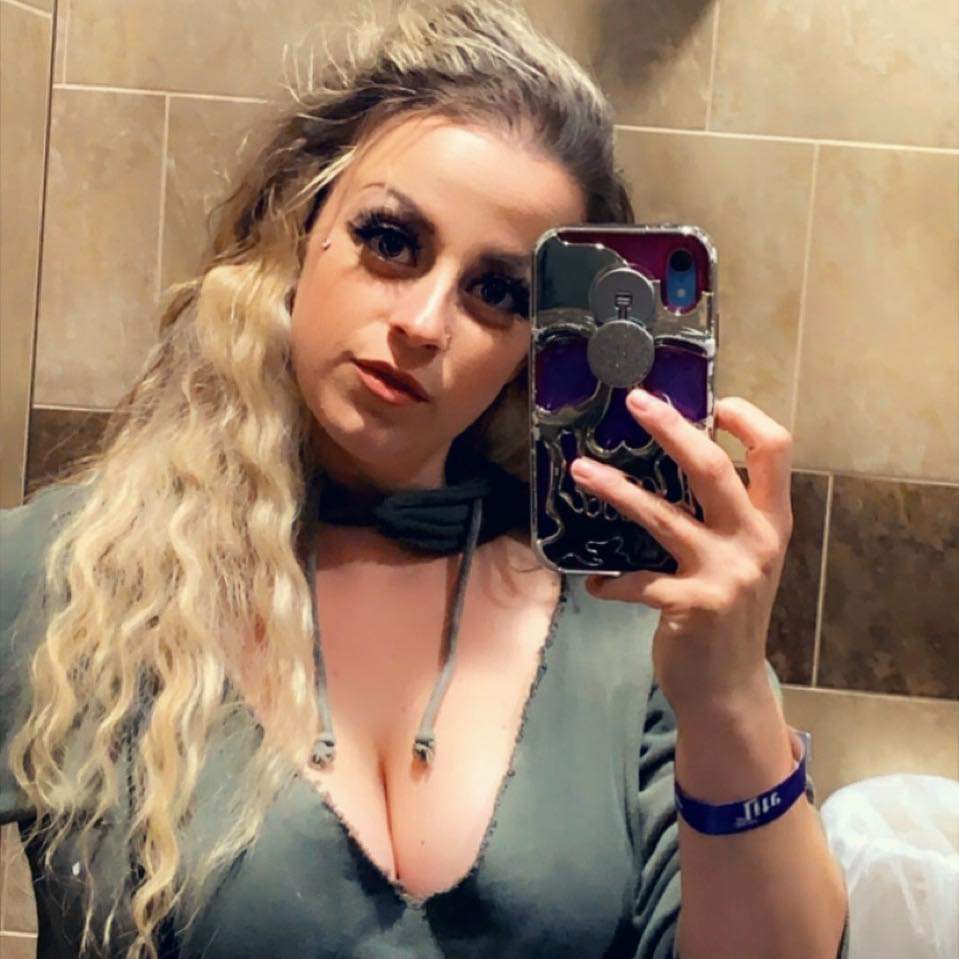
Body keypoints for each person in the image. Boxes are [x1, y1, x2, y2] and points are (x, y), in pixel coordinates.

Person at [0, 2, 849, 957]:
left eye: (497, 291)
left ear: (537, 345)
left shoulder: (638, 626)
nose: (425, 322)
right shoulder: (71, 574)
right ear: (301, 226)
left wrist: (728, 695)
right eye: (391, 241)